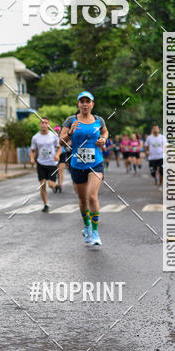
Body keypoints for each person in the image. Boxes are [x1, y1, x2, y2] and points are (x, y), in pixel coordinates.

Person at [67, 91, 108, 246]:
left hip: (95, 163)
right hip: (77, 165)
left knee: (92, 196)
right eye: (82, 101)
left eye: (87, 101)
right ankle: (87, 226)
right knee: (83, 200)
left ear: (92, 104)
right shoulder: (71, 120)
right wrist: (70, 132)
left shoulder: (99, 120)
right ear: (78, 104)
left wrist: (103, 139)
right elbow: (61, 141)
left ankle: (96, 232)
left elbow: (105, 132)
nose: (84, 104)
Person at [30, 117, 61, 212]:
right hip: (41, 163)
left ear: (48, 125)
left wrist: (57, 155)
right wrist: (31, 158)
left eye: (46, 123)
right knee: (42, 184)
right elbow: (32, 150)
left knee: (50, 184)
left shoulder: (53, 135)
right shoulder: (35, 137)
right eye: (42, 122)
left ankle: (55, 186)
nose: (44, 124)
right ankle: (46, 204)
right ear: (40, 124)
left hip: (52, 163)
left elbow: (59, 147)